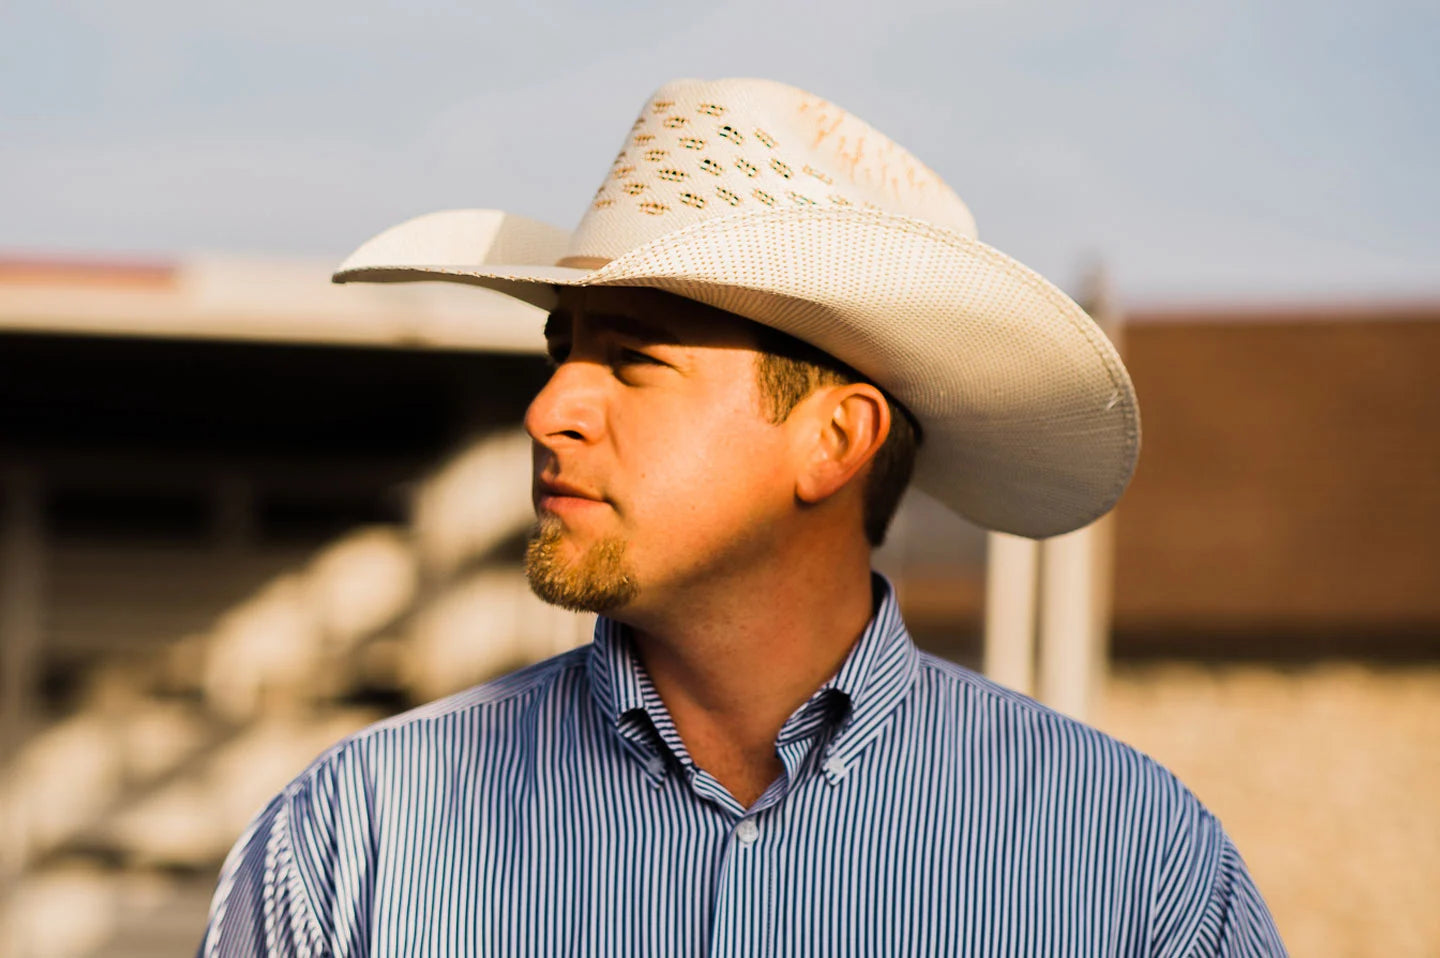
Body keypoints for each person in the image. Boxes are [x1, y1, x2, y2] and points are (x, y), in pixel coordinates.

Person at [199, 77, 1285, 955]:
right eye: (561, 352)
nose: (550, 408)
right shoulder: (358, 836)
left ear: (835, 441)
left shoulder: (1129, 865)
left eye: (633, 360)